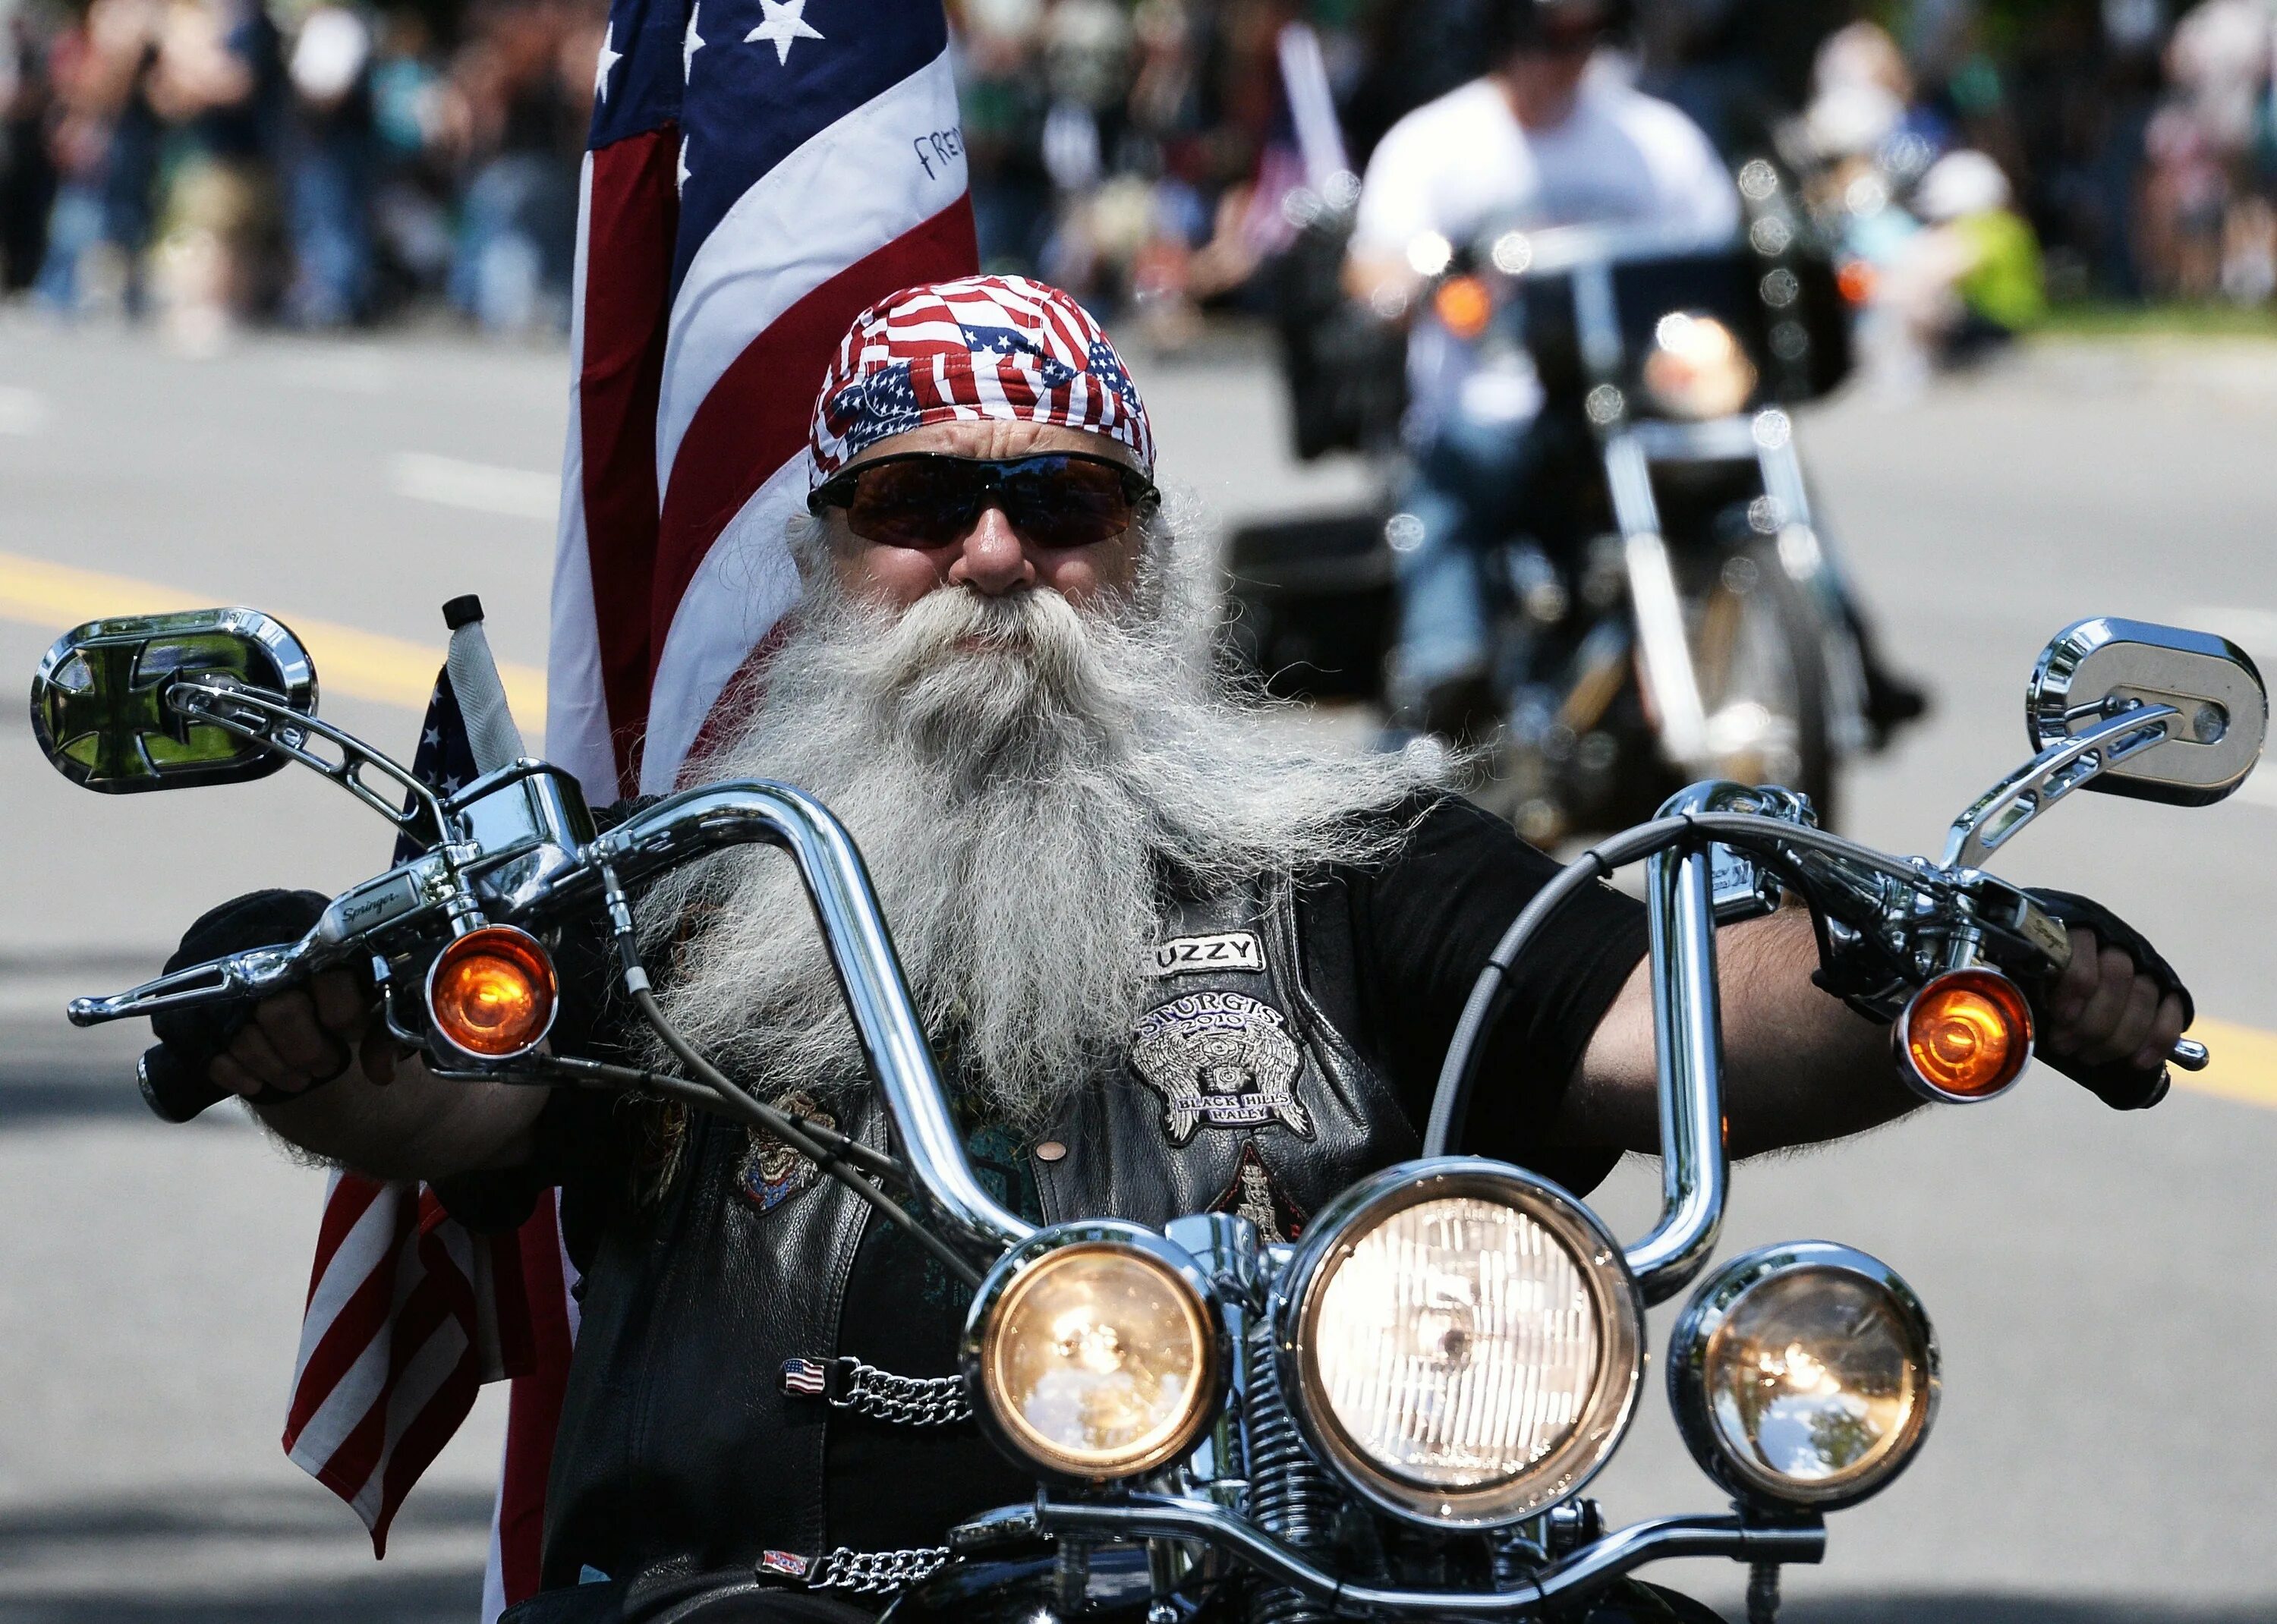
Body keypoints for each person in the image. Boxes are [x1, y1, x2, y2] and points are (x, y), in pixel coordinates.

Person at [156, 275, 2189, 1623]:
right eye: (917, 497)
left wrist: (1934, 984)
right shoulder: (680, 882)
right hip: (778, 1592)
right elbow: (462, 1091)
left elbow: (1664, 1028)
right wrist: (311, 1023)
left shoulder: (1342, 846)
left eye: (1062, 497)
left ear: (1143, 550)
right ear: (826, 545)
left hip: (1312, 1580)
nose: (991, 550)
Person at [1343, 0, 1923, 745]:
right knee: (1452, 485)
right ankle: (1443, 677)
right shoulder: (1435, 143)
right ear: (1502, 36)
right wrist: (1416, 271)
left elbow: (1719, 252)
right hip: (1502, 402)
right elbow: (1371, 268)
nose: (1566, 57)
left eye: (1586, 36)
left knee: (1758, 451)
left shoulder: (1654, 139)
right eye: (1546, 37)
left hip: (1642, 396)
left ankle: (1842, 645)